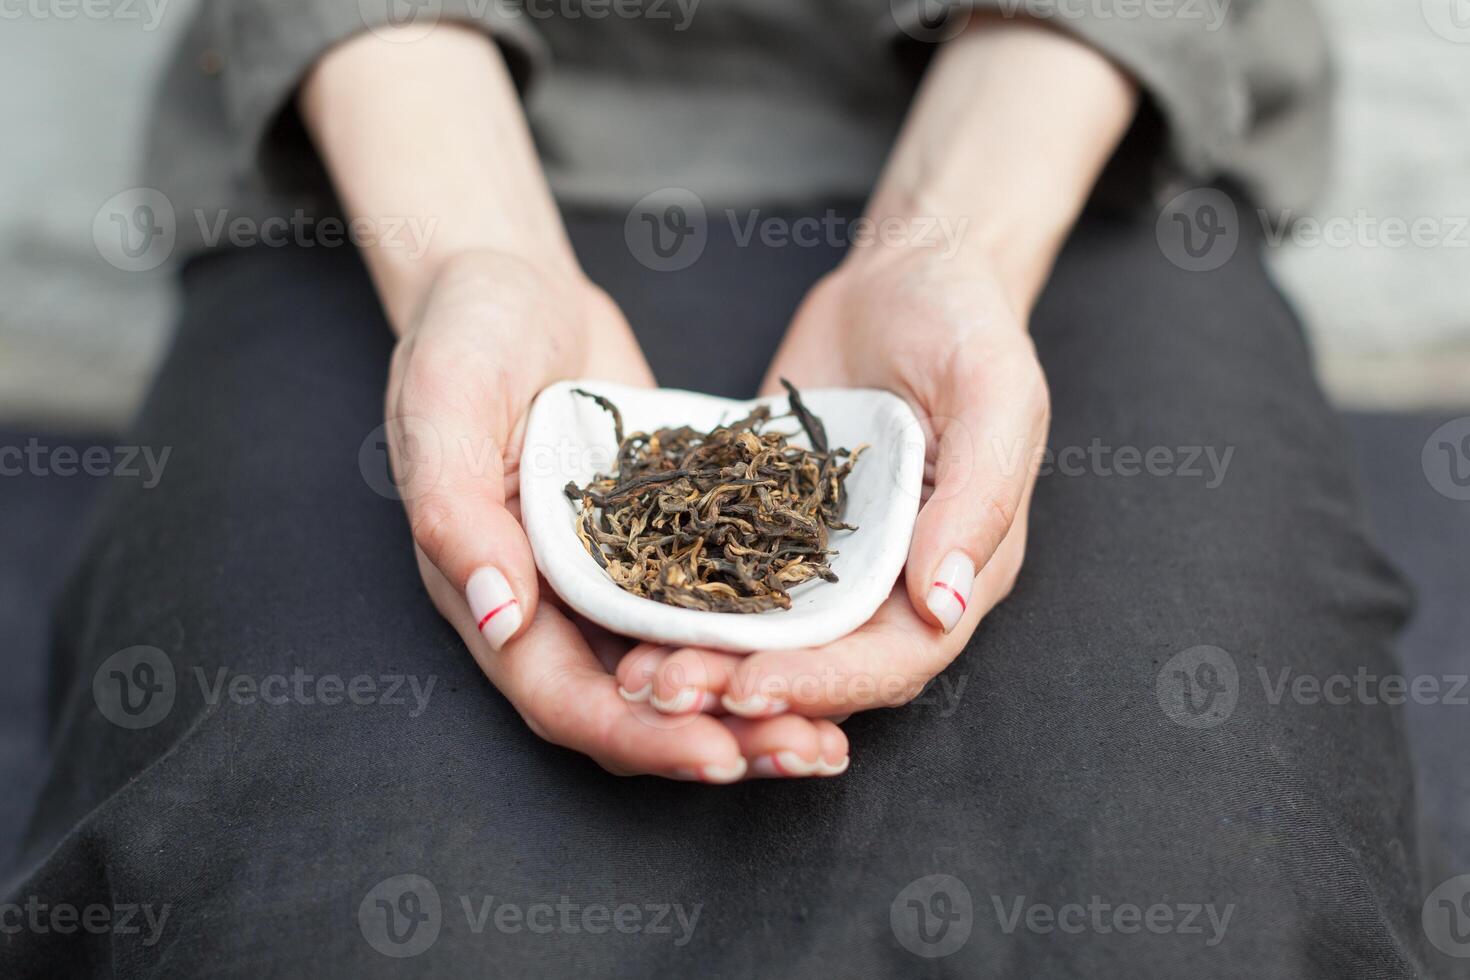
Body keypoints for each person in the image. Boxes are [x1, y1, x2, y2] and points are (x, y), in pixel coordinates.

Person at [3, 1, 1443, 976]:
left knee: (1193, 888)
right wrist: (468, 258)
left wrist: (949, 243)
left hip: (1061, 136)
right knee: (300, 899)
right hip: (396, 130)